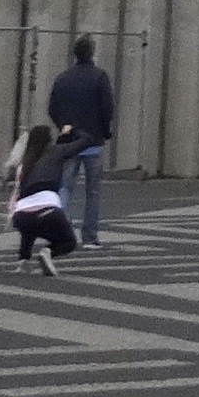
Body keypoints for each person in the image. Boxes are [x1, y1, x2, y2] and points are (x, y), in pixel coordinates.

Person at [46, 37, 115, 248]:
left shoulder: (63, 78)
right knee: (92, 192)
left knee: (64, 187)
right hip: (93, 141)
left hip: (68, 141)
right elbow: (107, 108)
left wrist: (64, 126)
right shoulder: (99, 77)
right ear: (92, 53)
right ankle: (90, 237)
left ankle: (58, 231)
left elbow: (52, 107)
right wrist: (104, 131)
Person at [7, 120, 81, 274]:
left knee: (29, 228)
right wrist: (73, 131)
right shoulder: (55, 152)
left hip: (21, 215)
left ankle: (24, 261)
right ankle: (48, 252)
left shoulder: (25, 161)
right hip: (48, 209)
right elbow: (86, 142)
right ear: (49, 140)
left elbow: (16, 189)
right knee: (68, 242)